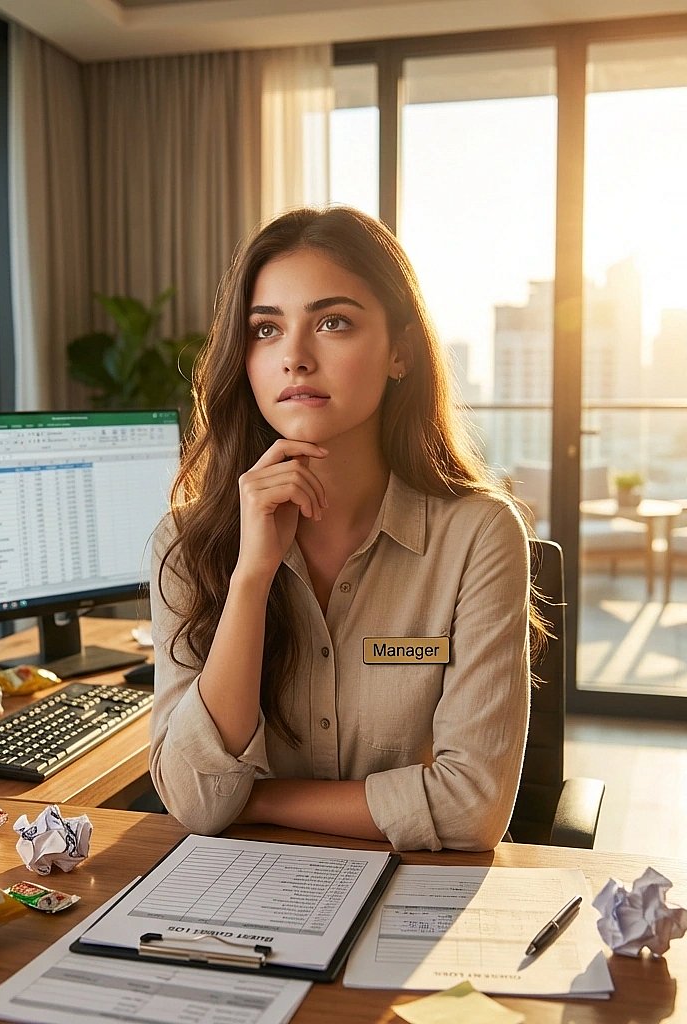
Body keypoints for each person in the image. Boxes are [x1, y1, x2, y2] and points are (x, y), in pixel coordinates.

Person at [148, 205, 540, 852]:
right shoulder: (185, 546)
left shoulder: (479, 535)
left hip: (415, 902)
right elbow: (196, 801)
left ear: (400, 353)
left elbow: (472, 809)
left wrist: (258, 799)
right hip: (241, 905)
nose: (295, 358)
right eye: (266, 330)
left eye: (333, 323)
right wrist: (251, 577)